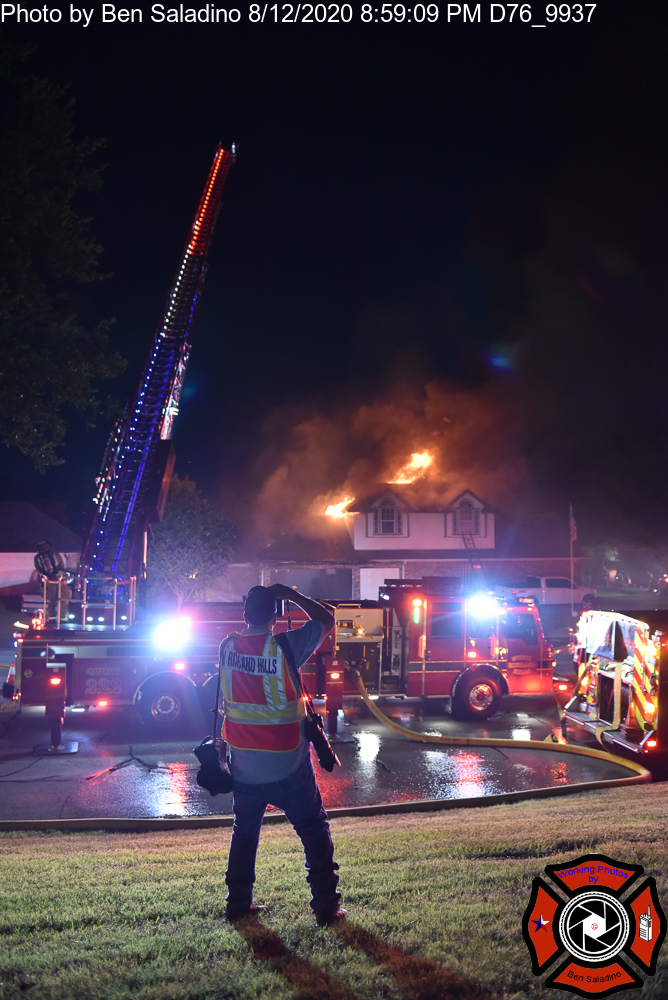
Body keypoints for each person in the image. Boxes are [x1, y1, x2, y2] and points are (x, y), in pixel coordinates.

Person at [221, 582, 346, 924]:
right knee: (313, 829)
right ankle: (326, 907)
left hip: (242, 764)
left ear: (244, 614)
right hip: (287, 762)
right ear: (274, 617)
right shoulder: (285, 647)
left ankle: (238, 904)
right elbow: (327, 619)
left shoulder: (226, 647)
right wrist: (291, 595)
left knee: (244, 833)